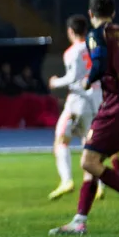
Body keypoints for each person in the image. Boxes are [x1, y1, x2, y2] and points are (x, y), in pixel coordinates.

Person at [51, 0, 119, 234]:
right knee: (93, 161)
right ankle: (79, 220)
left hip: (116, 105)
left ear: (90, 13)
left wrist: (88, 80)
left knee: (89, 161)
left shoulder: (98, 35)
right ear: (113, 12)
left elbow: (97, 62)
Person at [47, 16, 102, 200]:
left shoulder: (72, 52)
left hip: (77, 101)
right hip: (95, 101)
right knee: (89, 147)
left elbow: (72, 78)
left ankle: (66, 180)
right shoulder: (95, 47)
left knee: (61, 139)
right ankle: (99, 185)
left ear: (70, 31)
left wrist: (56, 82)